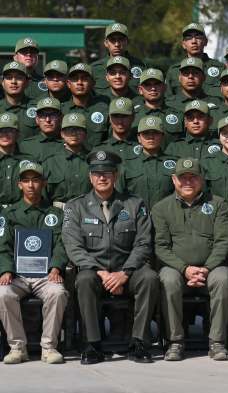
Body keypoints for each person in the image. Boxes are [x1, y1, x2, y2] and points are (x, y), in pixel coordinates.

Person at [62, 150, 158, 364]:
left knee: (149, 278)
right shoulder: (75, 206)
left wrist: (125, 273)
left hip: (128, 269)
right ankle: (92, 344)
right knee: (84, 280)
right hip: (95, 271)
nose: (102, 177)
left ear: (116, 176)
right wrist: (102, 273)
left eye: (107, 173)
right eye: (97, 173)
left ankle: (139, 342)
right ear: (90, 177)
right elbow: (73, 246)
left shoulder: (134, 204)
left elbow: (143, 243)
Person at [151, 158, 228, 362]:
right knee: (168, 280)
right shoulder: (161, 208)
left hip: (211, 268)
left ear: (201, 179)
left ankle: (217, 342)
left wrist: (206, 268)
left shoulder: (218, 204)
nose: (188, 182)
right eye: (183, 178)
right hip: (177, 269)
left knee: (223, 278)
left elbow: (223, 241)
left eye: (193, 177)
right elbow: (161, 246)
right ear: (174, 180)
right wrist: (185, 269)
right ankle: (175, 342)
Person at [0, 162, 69, 364]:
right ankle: (17, 348)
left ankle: (49, 347)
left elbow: (61, 244)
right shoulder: (9, 214)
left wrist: (56, 267)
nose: (31, 185)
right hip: (17, 275)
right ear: (20, 184)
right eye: (26, 181)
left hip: (46, 275)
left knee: (58, 293)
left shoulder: (55, 214)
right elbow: (2, 245)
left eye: (36, 180)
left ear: (44, 183)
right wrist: (5, 270)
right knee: (3, 293)